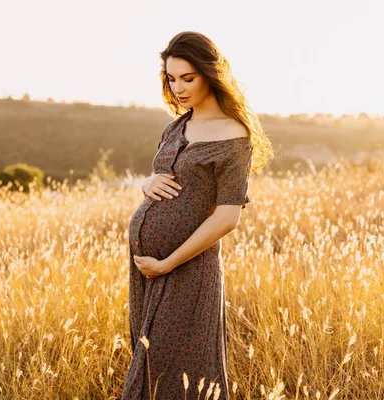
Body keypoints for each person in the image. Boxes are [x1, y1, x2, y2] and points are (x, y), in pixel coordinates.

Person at [123, 31, 274, 400]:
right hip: (147, 268)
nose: (178, 88)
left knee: (184, 366)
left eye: (188, 78)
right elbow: (165, 178)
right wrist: (147, 182)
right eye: (171, 78)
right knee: (148, 358)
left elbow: (227, 217)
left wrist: (168, 263)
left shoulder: (234, 136)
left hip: (187, 269)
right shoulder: (175, 127)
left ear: (211, 73)